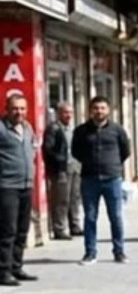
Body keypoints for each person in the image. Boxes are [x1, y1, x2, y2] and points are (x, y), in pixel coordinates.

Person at [71, 95, 132, 265]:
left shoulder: (117, 130)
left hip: (112, 178)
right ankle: (90, 253)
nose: (99, 111)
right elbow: (76, 151)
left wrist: (112, 163)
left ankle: (119, 252)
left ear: (108, 110)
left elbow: (125, 151)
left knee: (116, 216)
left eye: (103, 108)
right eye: (96, 108)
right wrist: (90, 161)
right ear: (90, 111)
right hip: (90, 179)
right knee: (90, 217)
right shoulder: (82, 131)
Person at [0, 94, 37, 286]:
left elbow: (33, 150)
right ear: (7, 109)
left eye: (22, 108)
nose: (19, 112)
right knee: (8, 231)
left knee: (22, 230)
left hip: (26, 186)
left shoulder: (28, 128)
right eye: (15, 108)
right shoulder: (1, 128)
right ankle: (3, 271)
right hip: (7, 187)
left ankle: (16, 267)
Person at [42, 101, 82, 240]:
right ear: (58, 113)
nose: (69, 115)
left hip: (75, 167)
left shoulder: (71, 129)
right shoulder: (54, 129)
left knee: (75, 198)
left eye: (70, 112)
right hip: (61, 169)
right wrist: (60, 160)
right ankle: (59, 229)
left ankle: (75, 225)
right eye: (65, 112)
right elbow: (48, 149)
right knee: (61, 199)